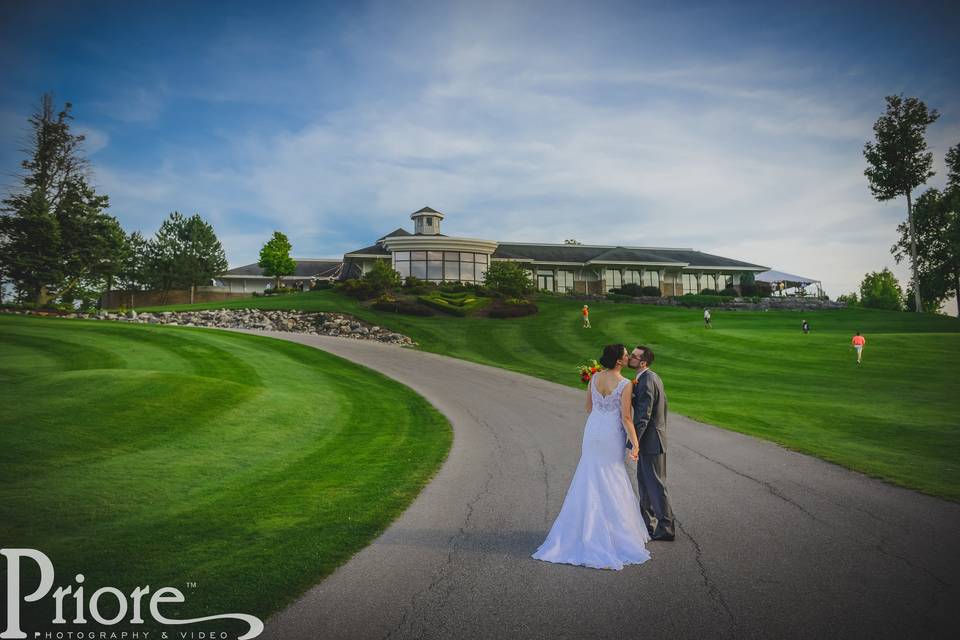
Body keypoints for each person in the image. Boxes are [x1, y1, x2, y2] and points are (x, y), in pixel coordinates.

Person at [532, 344, 651, 570]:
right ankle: (613, 533)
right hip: (611, 434)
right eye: (626, 355)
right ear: (618, 360)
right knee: (612, 475)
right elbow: (626, 417)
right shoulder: (625, 384)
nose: (628, 357)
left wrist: (601, 412)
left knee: (588, 475)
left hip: (593, 429)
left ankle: (580, 529)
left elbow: (589, 407)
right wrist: (635, 443)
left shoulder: (594, 378)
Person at [627, 345, 676, 541]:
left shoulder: (647, 381)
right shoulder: (649, 378)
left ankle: (666, 528)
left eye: (634, 356)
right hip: (653, 441)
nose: (630, 357)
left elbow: (643, 416)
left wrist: (634, 442)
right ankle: (648, 525)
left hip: (651, 442)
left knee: (655, 485)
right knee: (645, 485)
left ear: (643, 362)